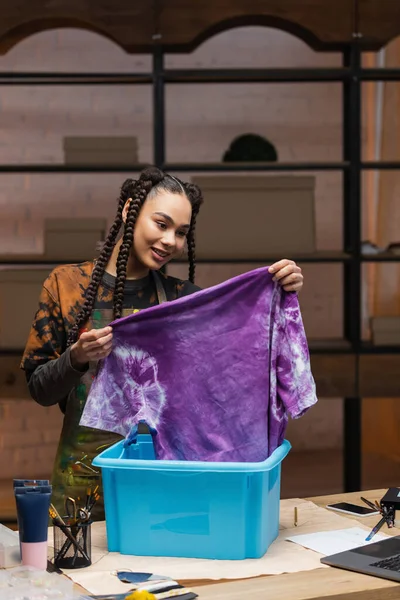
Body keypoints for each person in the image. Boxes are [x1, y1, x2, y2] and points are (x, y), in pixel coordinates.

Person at [21, 166, 304, 520]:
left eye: (181, 232)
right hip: (81, 489)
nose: (171, 241)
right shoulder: (65, 286)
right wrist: (77, 357)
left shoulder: (183, 302)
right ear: (129, 212)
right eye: (162, 224)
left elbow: (241, 364)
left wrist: (279, 292)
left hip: (164, 485)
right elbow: (40, 390)